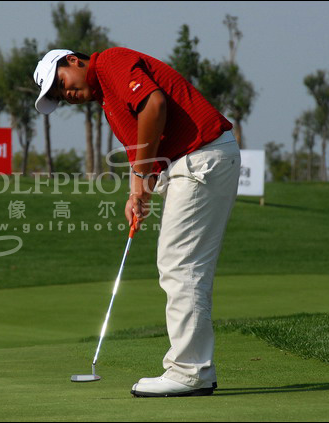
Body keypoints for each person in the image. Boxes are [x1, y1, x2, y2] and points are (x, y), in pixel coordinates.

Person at [33, 47, 241, 398]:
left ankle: (189, 371)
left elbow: (153, 105)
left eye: (60, 84)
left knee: (179, 265)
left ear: (73, 61)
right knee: (182, 266)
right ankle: (195, 369)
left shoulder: (110, 61)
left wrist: (143, 177)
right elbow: (142, 148)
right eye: (57, 95)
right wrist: (136, 194)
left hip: (200, 158)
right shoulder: (108, 101)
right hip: (195, 161)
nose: (65, 95)